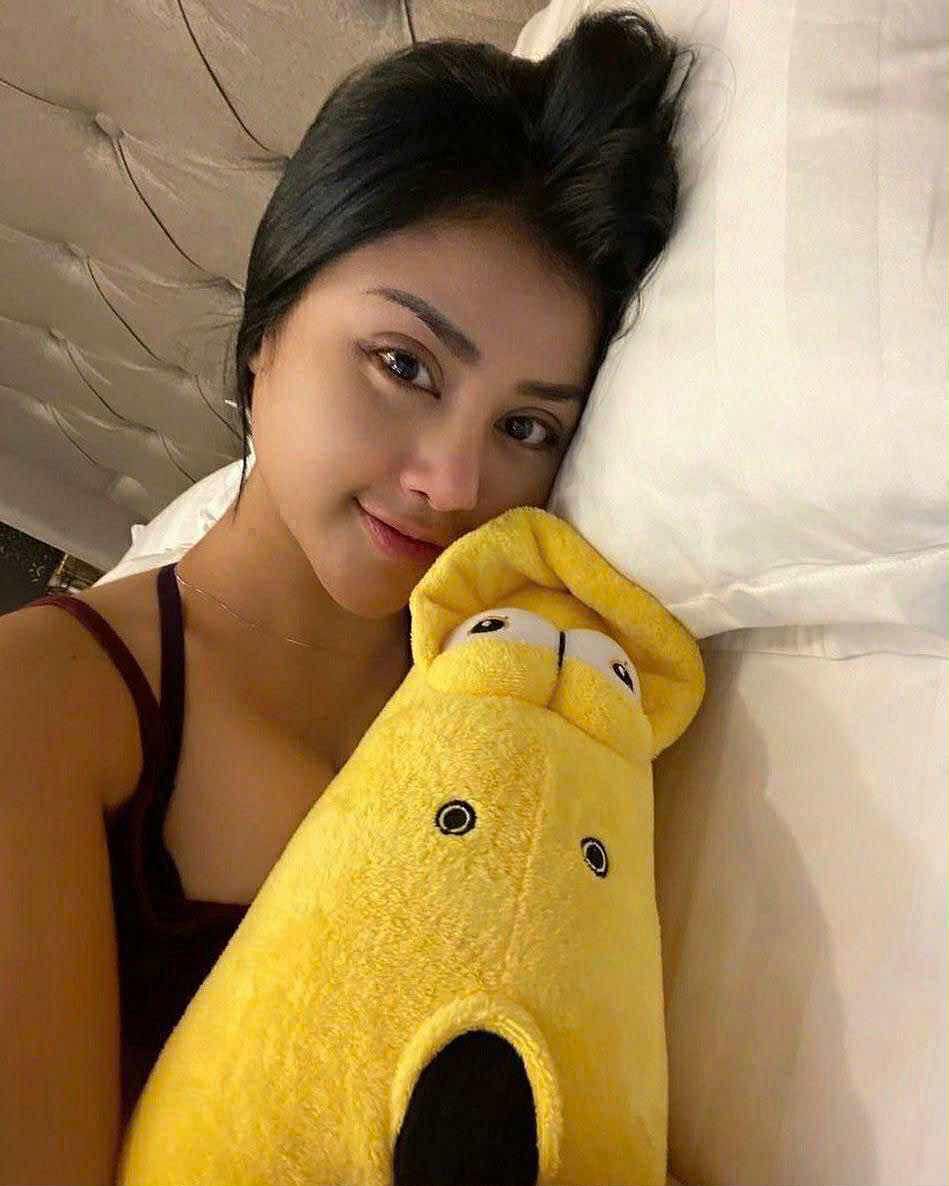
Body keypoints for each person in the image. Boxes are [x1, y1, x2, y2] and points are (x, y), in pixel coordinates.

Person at [0, 8, 695, 1183]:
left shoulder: (533, 711)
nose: (454, 483)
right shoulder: (45, 701)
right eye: (403, 364)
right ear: (266, 329)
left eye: (527, 427)